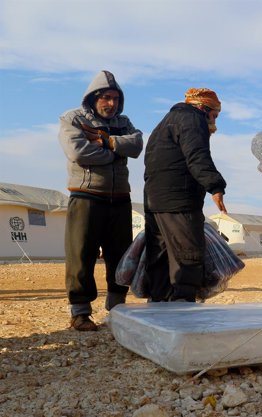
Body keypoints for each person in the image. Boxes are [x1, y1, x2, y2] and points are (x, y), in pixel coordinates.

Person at [58, 70, 144, 331]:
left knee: (120, 255)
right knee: (81, 254)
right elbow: (78, 152)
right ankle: (80, 313)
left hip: (120, 197)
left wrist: (105, 141)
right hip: (86, 195)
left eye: (116, 99)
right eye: (106, 98)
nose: (112, 104)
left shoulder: (123, 121)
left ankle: (117, 309)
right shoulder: (73, 118)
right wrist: (115, 153)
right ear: (94, 97)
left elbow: (137, 144)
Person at [143, 88, 227, 302]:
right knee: (187, 256)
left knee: (160, 260)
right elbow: (197, 156)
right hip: (179, 202)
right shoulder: (192, 119)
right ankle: (183, 312)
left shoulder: (165, 121)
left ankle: (159, 311)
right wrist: (215, 186)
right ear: (204, 108)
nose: (214, 122)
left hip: (155, 203)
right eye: (214, 115)